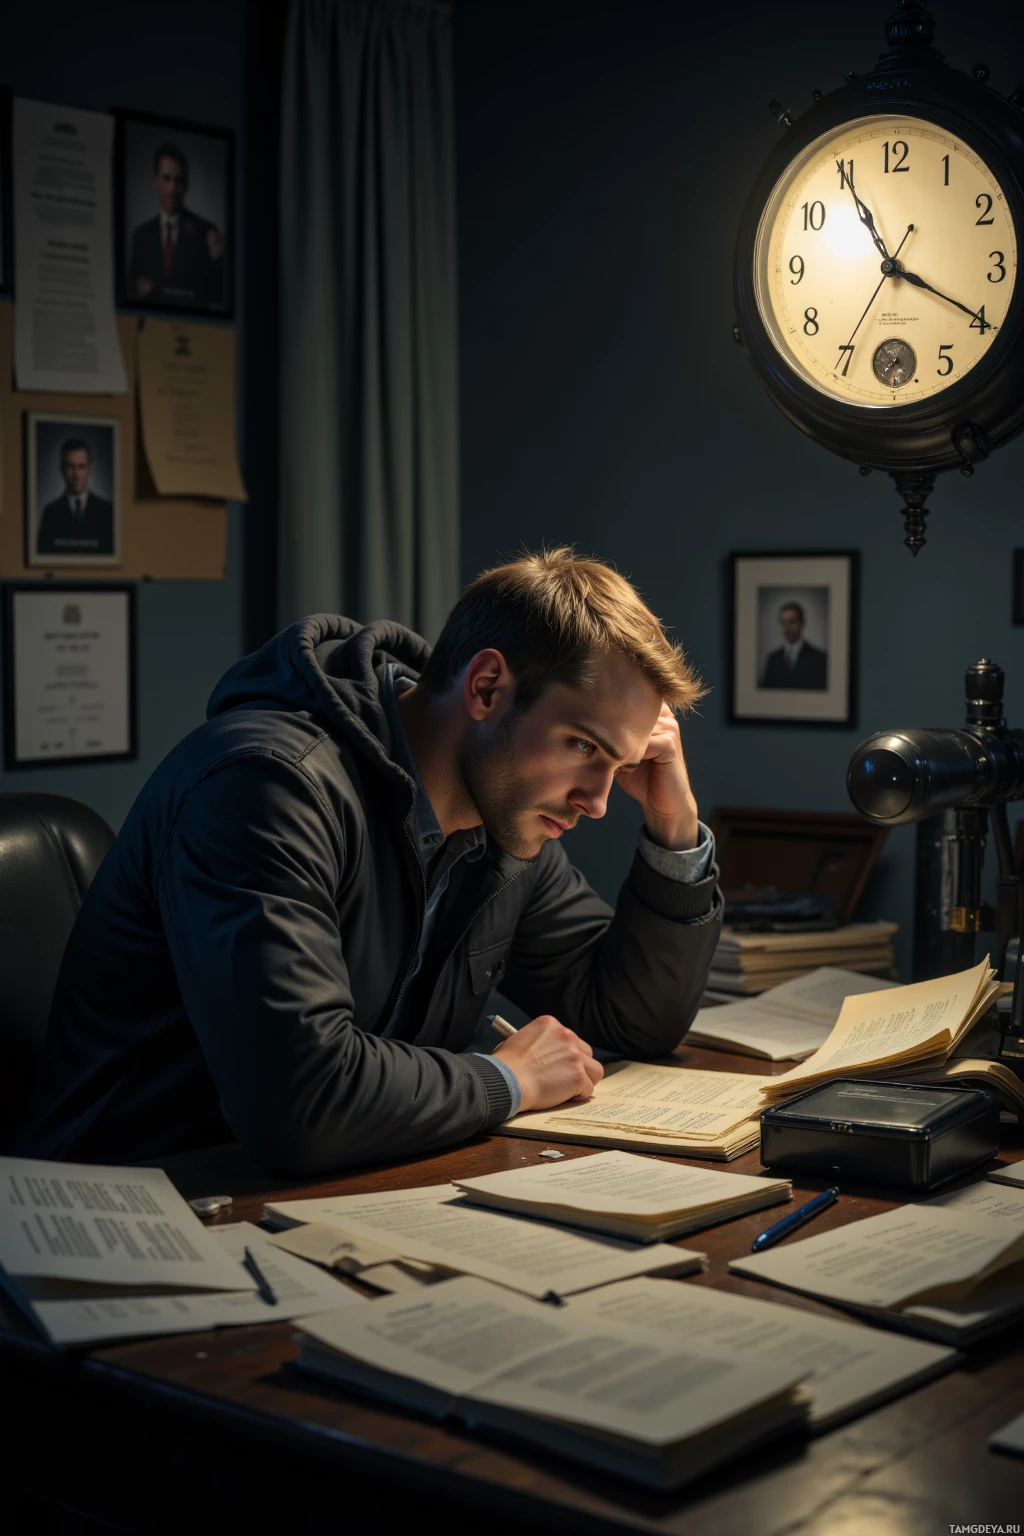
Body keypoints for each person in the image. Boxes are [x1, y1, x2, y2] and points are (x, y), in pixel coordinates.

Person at [16, 550, 722, 1174]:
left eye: (621, 763)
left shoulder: (505, 821)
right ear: (485, 688)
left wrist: (673, 823)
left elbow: (629, 1020)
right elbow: (301, 1102)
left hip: (328, 1193)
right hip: (139, 1206)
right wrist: (504, 1081)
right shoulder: (268, 785)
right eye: (584, 746)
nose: (598, 802)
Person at [129, 141, 224, 308]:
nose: (172, 188)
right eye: (166, 179)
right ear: (156, 182)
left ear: (186, 186)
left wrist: (219, 261)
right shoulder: (141, 235)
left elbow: (217, 297)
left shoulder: (206, 233)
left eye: (178, 181)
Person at [36, 438, 114, 558]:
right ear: (62, 469)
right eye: (70, 467)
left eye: (81, 467)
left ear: (89, 470)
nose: (76, 475)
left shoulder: (107, 511)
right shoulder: (51, 513)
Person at [759, 600, 828, 690]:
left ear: (802, 624)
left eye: (792, 622)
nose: (787, 628)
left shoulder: (819, 658)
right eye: (783, 623)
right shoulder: (773, 659)